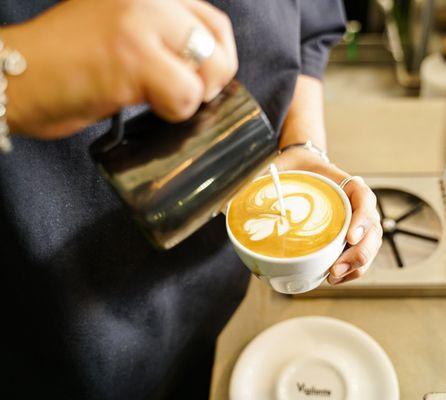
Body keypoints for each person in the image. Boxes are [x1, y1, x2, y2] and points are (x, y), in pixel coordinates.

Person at [0, 1, 383, 399]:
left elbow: (308, 26)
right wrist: (16, 74)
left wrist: (304, 146)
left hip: (218, 283)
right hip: (52, 319)